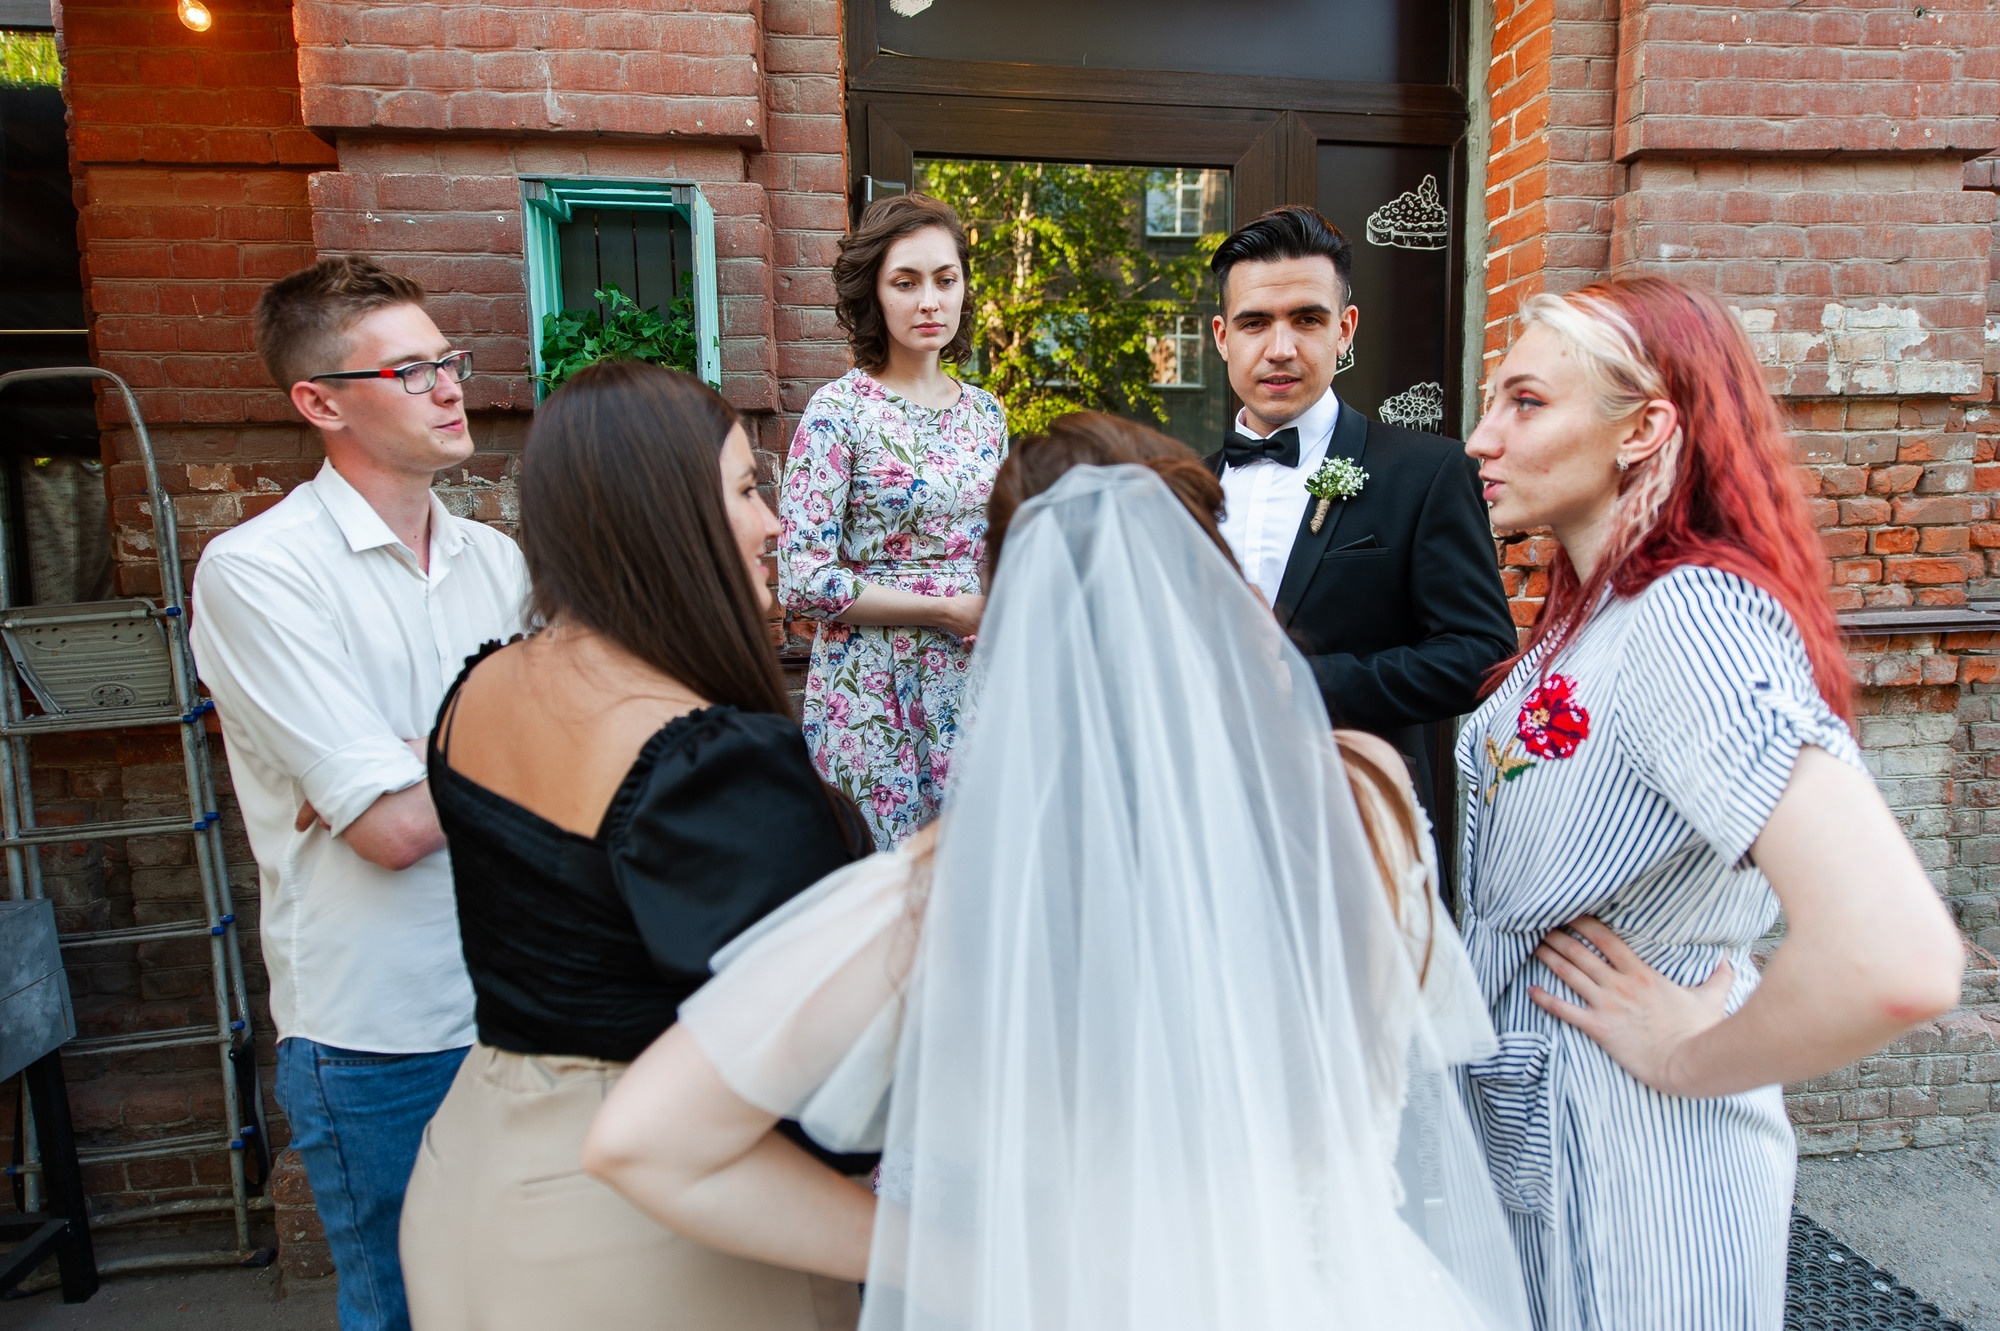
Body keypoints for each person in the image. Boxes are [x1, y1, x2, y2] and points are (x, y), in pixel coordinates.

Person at [583, 414, 1533, 1331]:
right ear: (1215, 572)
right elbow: (1432, 1040)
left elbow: (643, 1141)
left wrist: (956, 1267)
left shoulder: (963, 882)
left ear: (1016, 615)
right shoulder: (1369, 788)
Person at [1457, 276, 1965, 1329]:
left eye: (1525, 403)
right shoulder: (1599, 611)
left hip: (1638, 1163)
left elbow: (1897, 957)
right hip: (1557, 1142)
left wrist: (1688, 1054)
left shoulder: (1688, 615)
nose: (1480, 438)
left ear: (1643, 429)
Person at [396, 360, 873, 1331]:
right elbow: (828, 1089)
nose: (773, 523)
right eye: (748, 488)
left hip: (474, 1169)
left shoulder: (480, 688)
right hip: (646, 1234)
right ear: (667, 514)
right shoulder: (708, 761)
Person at [190, 256, 528, 1331]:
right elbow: (391, 828)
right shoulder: (259, 570)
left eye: (448, 359)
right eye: (410, 369)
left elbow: (563, 757)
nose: (449, 385)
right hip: (380, 1027)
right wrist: (500, 744)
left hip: (518, 996)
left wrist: (423, 750)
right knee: (408, 1307)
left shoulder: (495, 562)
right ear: (321, 402)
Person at [1203, 204, 1516, 862]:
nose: (1280, 348)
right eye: (1255, 322)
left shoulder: (1426, 473)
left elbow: (1481, 654)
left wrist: (1309, 682)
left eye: (1307, 320)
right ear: (1222, 337)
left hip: (1359, 833)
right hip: (1205, 830)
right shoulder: (1183, 491)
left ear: (1344, 330)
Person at [779, 192, 1008, 849]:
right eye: (906, 283)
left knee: (976, 873)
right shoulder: (838, 411)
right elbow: (801, 580)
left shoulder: (987, 414)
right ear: (873, 295)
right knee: (880, 881)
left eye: (945, 280)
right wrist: (943, 609)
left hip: (972, 682)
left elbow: (998, 548)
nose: (929, 301)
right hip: (870, 691)